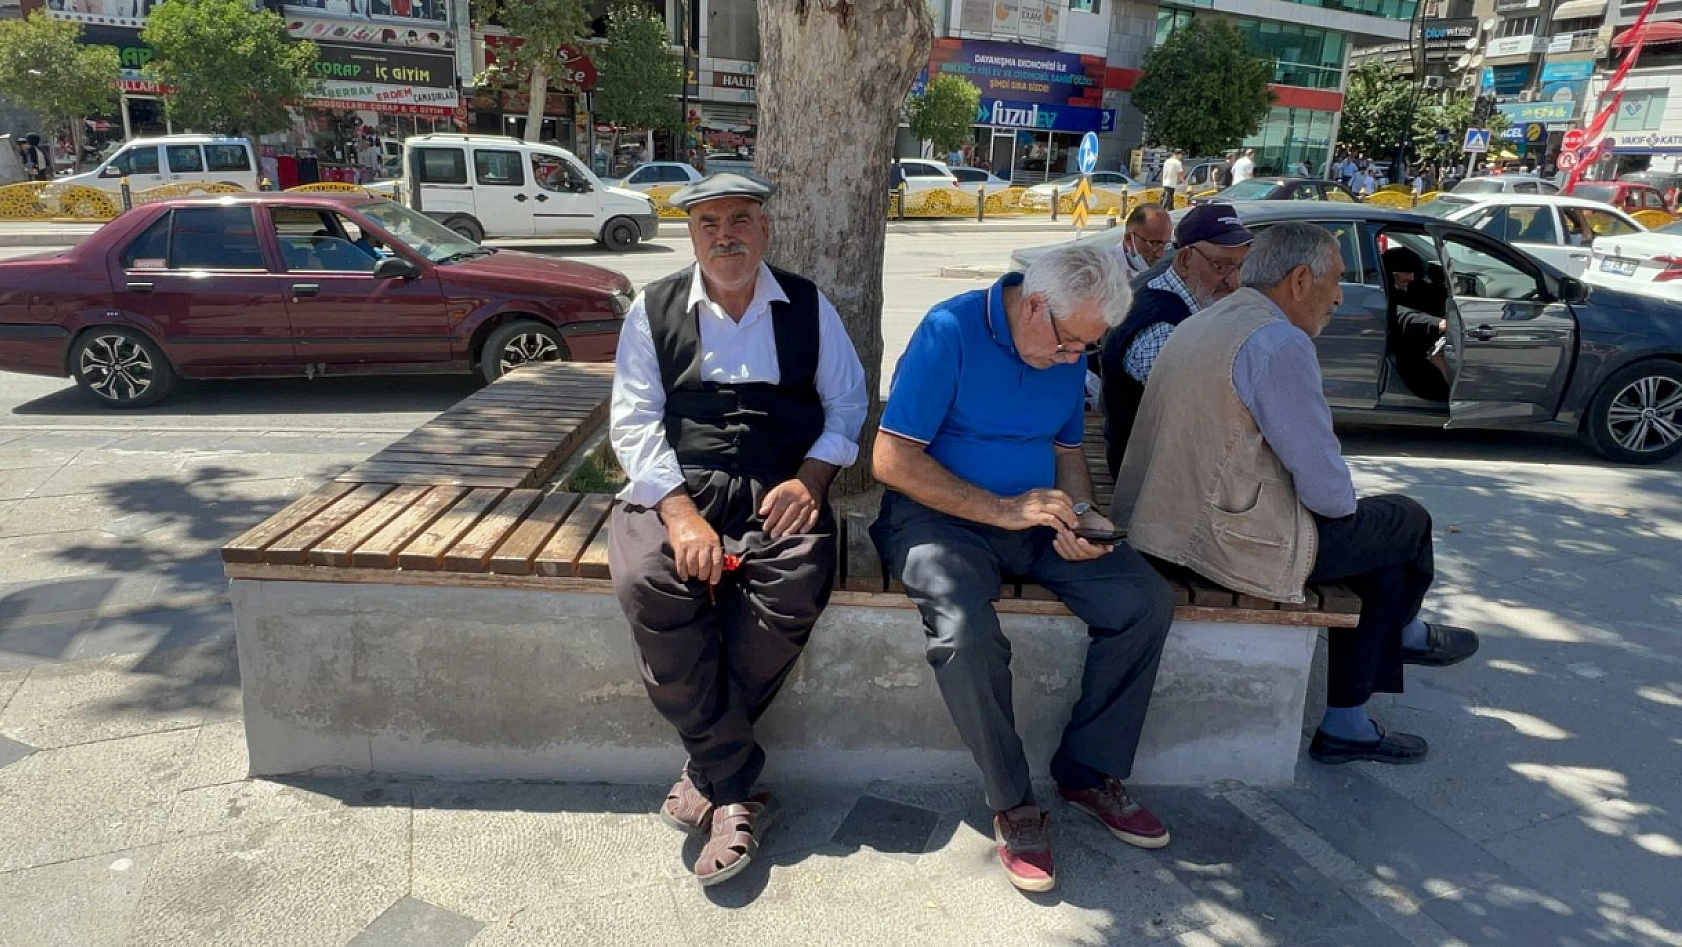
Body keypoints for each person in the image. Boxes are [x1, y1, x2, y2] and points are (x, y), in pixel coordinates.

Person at [1113, 223, 1480, 768]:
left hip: (1161, 523)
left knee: (1383, 557)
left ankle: (1350, 720)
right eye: (1335, 281)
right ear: (1300, 279)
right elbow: (1327, 487)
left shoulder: (1213, 316)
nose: (1339, 297)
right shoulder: (1277, 341)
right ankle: (1401, 635)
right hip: (1218, 543)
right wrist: (1341, 511)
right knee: (1406, 521)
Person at [870, 243, 1174, 894]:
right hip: (938, 518)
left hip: (1035, 516)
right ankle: (1014, 801)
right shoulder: (948, 331)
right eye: (1070, 345)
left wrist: (1083, 515)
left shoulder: (1064, 346)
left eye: (1085, 350)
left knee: (1144, 600)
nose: (1073, 362)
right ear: (1035, 305)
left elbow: (1068, 453)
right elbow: (892, 461)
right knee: (963, 630)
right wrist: (1000, 508)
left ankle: (1087, 771)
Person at [606, 173, 868, 887]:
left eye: (741, 220)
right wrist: (681, 512)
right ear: (691, 235)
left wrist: (811, 479)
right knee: (649, 581)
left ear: (765, 229)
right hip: (676, 483)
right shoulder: (652, 307)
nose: (726, 235)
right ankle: (735, 788)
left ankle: (706, 764)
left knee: (790, 589)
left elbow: (847, 404)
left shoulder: (809, 306)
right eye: (709, 223)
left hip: (778, 483)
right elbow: (632, 422)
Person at [1098, 203, 1254, 475]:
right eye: (1222, 266)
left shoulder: (1177, 297)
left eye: (1240, 267)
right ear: (1183, 260)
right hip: (1149, 475)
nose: (1235, 282)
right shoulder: (1160, 328)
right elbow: (1200, 414)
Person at [1380, 247, 1449, 401]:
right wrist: (1437, 324)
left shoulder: (1412, 287)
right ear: (1391, 275)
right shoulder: (1382, 294)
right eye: (1403, 281)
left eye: (1410, 281)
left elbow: (1427, 296)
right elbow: (1400, 315)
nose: (1406, 286)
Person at [1114, 202, 1173, 282]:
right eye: (1154, 244)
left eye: (1165, 245)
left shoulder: (1164, 272)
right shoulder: (1103, 271)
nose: (1160, 254)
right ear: (1129, 239)